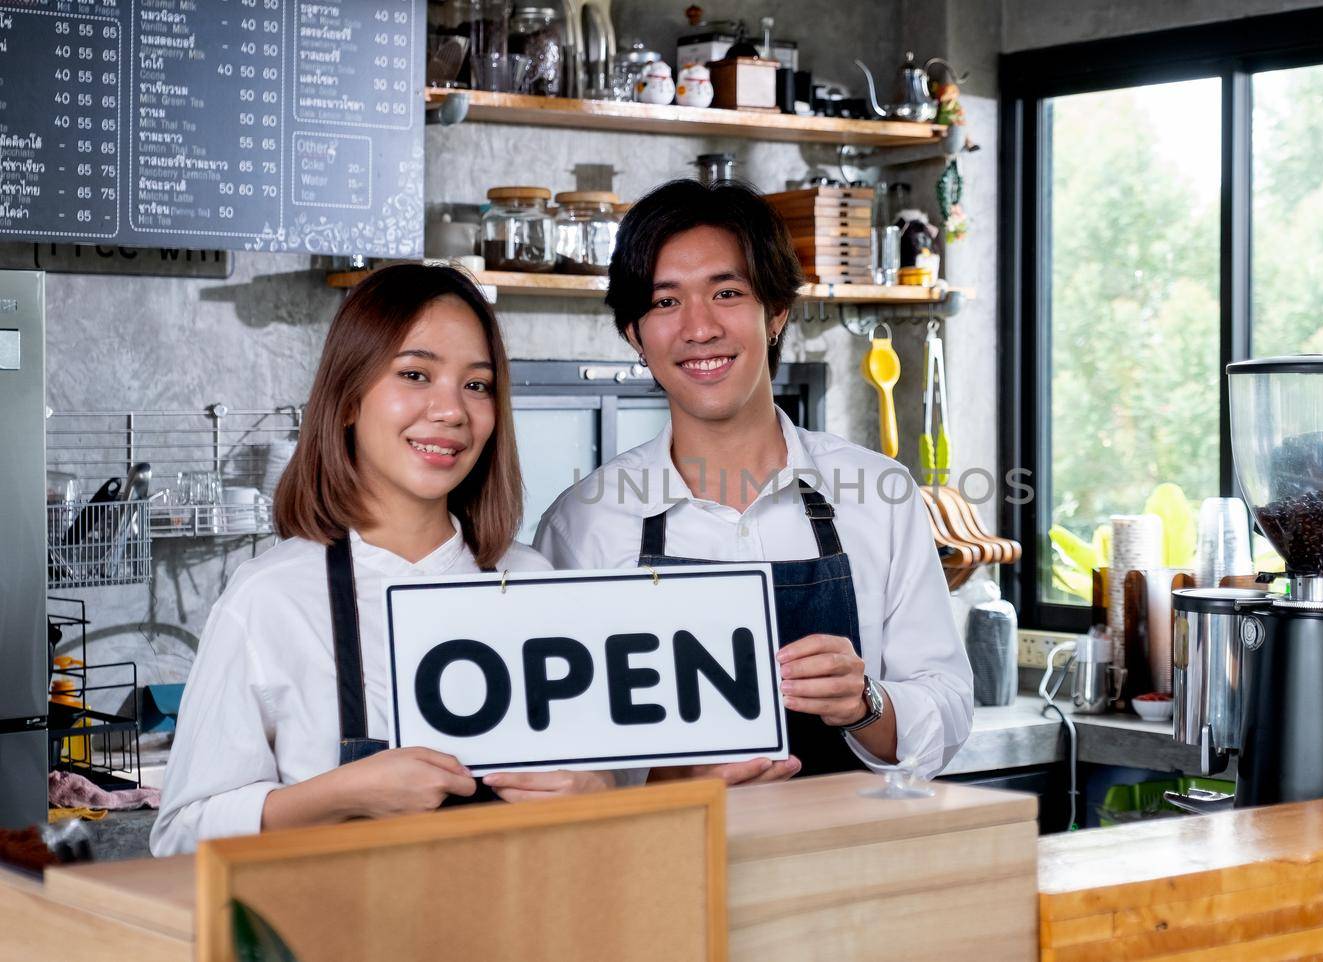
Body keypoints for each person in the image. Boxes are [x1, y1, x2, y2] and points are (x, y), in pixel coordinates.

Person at [152, 265, 610, 857]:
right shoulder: (269, 597)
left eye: (477, 385)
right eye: (415, 374)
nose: (451, 411)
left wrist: (597, 792)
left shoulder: (530, 582)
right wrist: (341, 794)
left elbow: (593, 808)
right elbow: (180, 836)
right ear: (347, 401)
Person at [535, 180, 974, 787]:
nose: (699, 327)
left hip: (844, 862)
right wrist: (676, 784)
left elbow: (949, 708)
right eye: (665, 303)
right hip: (662, 869)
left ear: (776, 312)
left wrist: (865, 702)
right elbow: (561, 763)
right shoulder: (583, 523)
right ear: (635, 336)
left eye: (727, 291)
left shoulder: (879, 492)